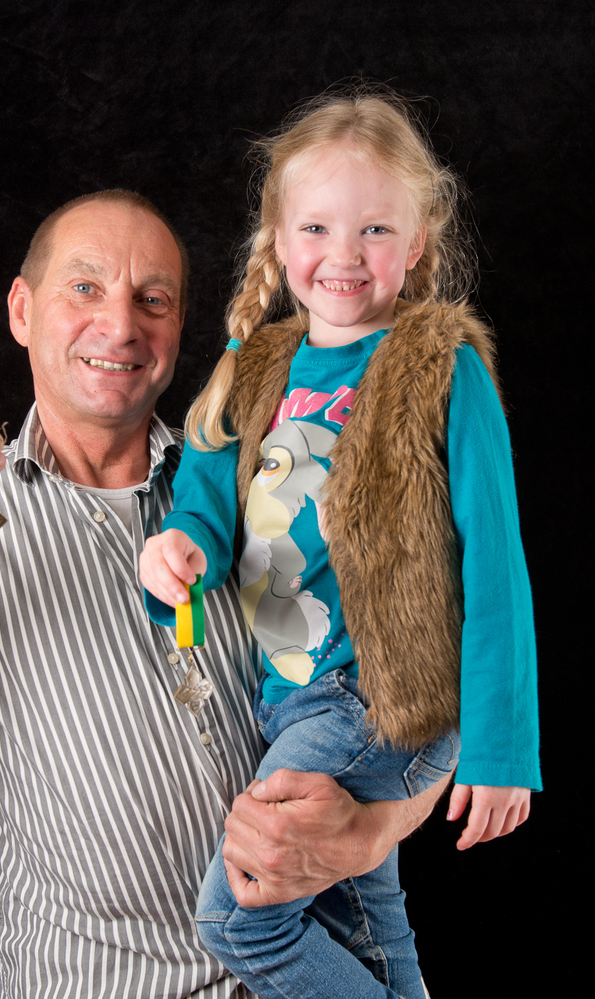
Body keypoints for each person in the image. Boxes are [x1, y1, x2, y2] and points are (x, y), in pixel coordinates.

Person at [0, 188, 452, 999]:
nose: (120, 325)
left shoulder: (260, 475)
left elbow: (409, 683)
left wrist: (376, 828)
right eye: (84, 288)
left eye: (151, 300)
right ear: (22, 310)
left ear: (177, 327)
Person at [140, 92, 541, 999]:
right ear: (280, 241)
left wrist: (502, 748)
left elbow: (497, 562)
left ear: (417, 242)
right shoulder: (256, 367)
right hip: (286, 704)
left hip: (376, 704)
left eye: (374, 230)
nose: (344, 255)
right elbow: (203, 504)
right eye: (317, 227)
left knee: (240, 916)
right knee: (368, 932)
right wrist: (178, 550)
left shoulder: (440, 365)